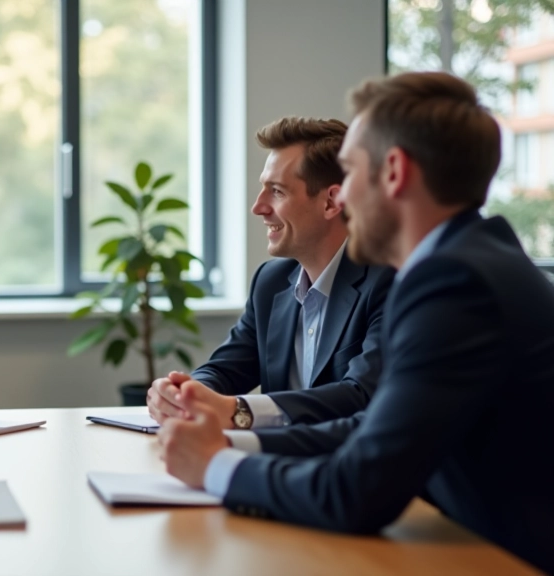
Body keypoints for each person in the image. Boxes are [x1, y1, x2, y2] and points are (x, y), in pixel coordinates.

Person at [158, 71, 554, 574]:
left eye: (349, 173)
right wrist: (230, 440)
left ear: (393, 173)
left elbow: (356, 492)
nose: (340, 199)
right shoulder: (468, 261)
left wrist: (215, 467)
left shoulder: (455, 284)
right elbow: (374, 430)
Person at [148, 117, 394, 434]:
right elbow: (225, 369)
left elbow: (362, 395)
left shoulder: (388, 280)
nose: (258, 207)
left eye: (276, 191)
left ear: (331, 201)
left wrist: (239, 412)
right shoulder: (272, 281)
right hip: (276, 464)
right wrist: (185, 394)